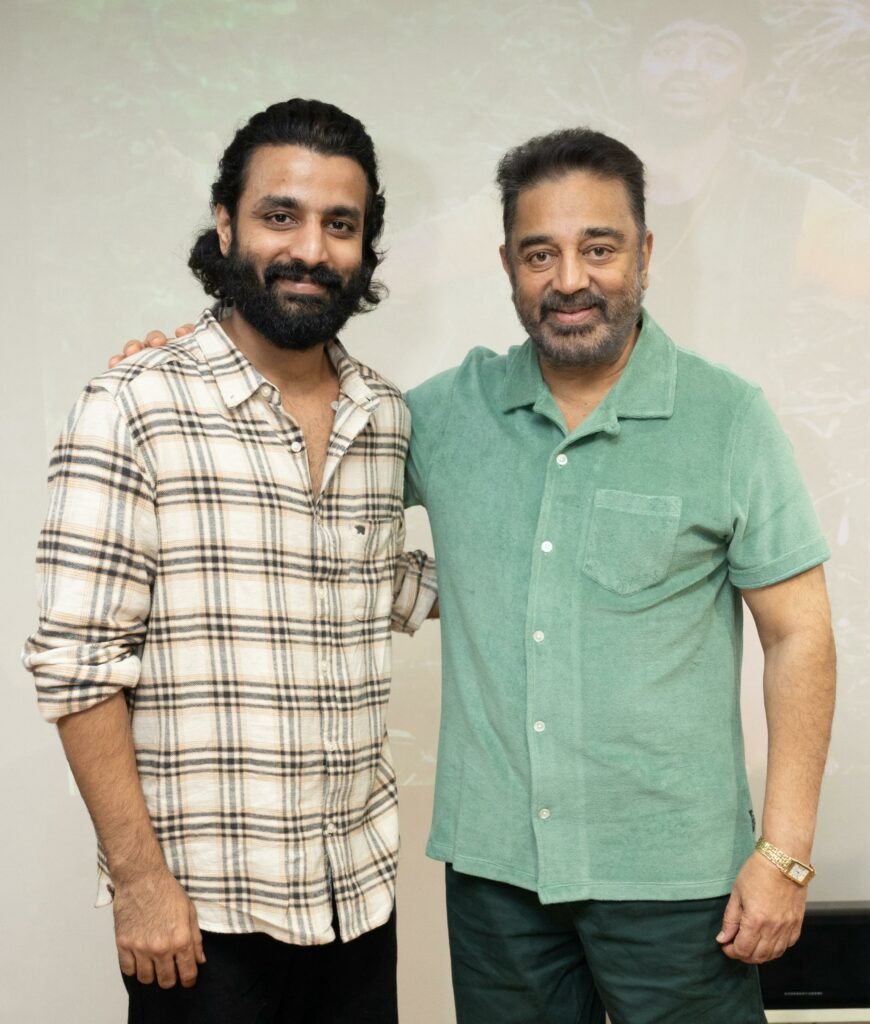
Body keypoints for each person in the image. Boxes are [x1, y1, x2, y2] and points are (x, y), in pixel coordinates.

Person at [111, 126, 836, 1023]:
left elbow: (799, 633)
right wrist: (184, 370)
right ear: (507, 266)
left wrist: (785, 854)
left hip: (679, 883)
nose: (569, 279)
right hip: (497, 890)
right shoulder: (441, 415)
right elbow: (304, 486)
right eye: (540, 253)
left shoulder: (728, 419)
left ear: (645, 253)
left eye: (599, 248)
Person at [23, 97, 436, 1024]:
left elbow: (389, 586)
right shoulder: (131, 406)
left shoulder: (386, 417)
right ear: (226, 225)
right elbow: (78, 666)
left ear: (366, 246)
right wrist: (139, 883)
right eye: (280, 215)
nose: (311, 249)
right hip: (200, 917)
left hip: (357, 900)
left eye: (341, 225)